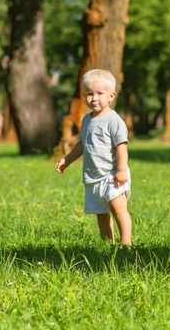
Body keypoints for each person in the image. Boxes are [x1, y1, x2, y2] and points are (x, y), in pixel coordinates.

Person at [55, 69, 133, 247]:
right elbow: (82, 144)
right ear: (84, 96)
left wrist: (121, 171)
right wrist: (67, 160)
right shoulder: (87, 120)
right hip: (93, 176)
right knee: (101, 213)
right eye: (89, 94)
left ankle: (126, 243)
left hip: (112, 175)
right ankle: (107, 244)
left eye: (100, 93)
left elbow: (121, 147)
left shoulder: (114, 121)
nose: (94, 98)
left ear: (111, 96)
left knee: (118, 209)